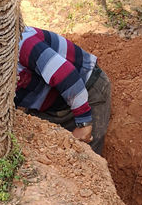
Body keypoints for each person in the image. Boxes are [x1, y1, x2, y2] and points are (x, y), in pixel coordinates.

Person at [15, 25, 112, 155]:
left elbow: (67, 76)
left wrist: (84, 123)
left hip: (87, 90)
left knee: (84, 158)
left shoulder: (22, 43)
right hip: (50, 107)